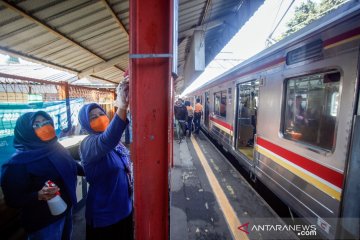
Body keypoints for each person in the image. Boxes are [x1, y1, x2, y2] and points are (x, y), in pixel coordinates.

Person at [1, 111, 82, 240]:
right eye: (37, 124)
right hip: (44, 222)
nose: (44, 127)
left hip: (66, 209)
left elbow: (71, 164)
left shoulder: (55, 147)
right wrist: (38, 195)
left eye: (46, 122)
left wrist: (92, 170)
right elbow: (13, 199)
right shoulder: (17, 164)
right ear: (25, 131)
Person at [78, 80, 133, 240]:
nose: (99, 118)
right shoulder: (88, 144)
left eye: (101, 114)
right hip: (105, 216)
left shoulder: (116, 143)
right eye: (92, 117)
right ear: (85, 124)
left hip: (124, 208)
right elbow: (108, 139)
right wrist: (122, 107)